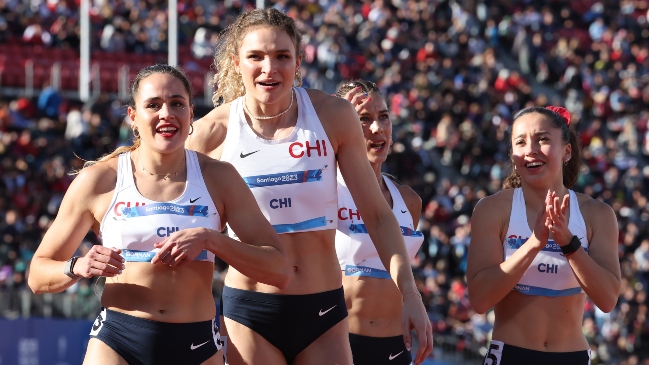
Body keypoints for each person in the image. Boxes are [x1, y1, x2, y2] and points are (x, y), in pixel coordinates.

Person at [186, 8, 432, 365]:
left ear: (298, 61)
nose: (269, 69)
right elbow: (170, 200)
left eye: (282, 56)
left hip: (323, 311)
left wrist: (410, 293)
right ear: (237, 63)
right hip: (250, 312)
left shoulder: (331, 115)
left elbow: (378, 216)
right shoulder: (212, 133)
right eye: (256, 57)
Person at [27, 64, 291, 365]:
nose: (166, 113)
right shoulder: (99, 180)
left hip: (197, 345)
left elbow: (278, 268)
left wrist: (210, 240)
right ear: (133, 117)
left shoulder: (219, 178)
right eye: (153, 105)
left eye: (177, 103)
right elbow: (37, 274)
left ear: (191, 113)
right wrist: (78, 266)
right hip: (118, 341)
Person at [466, 106, 621, 365]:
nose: (531, 150)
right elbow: (480, 300)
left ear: (567, 151)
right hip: (510, 355)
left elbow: (607, 299)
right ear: (514, 155)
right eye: (521, 142)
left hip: (572, 357)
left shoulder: (597, 215)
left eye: (543, 139)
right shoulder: (492, 209)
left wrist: (568, 243)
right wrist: (534, 244)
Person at [334, 80, 424, 365]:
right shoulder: (321, 191)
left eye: (383, 116)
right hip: (334, 343)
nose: (377, 128)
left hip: (394, 347)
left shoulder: (409, 201)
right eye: (363, 119)